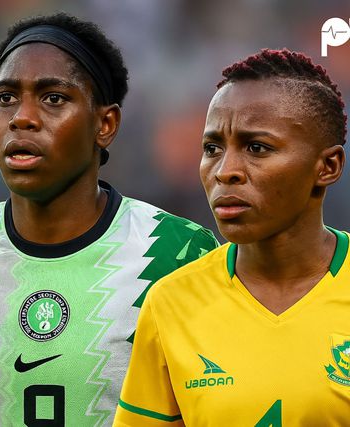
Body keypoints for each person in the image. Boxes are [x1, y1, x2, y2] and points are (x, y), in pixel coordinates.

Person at [0, 12, 219, 427]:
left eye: (53, 98)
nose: (21, 117)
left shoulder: (180, 252)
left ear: (105, 124)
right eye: (5, 97)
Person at [113, 48, 349, 426]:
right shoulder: (171, 303)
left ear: (328, 166)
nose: (225, 171)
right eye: (212, 149)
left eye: (257, 148)